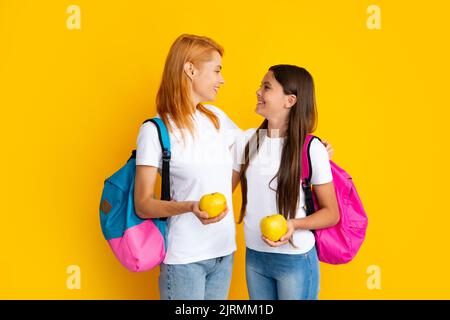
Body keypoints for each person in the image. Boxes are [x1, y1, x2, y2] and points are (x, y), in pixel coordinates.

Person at [232, 65, 339, 300]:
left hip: (296, 258)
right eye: (260, 86)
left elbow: (332, 213)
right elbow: (224, 188)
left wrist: (294, 224)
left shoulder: (312, 148)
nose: (258, 92)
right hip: (255, 256)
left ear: (290, 101)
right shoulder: (247, 141)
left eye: (266, 87)